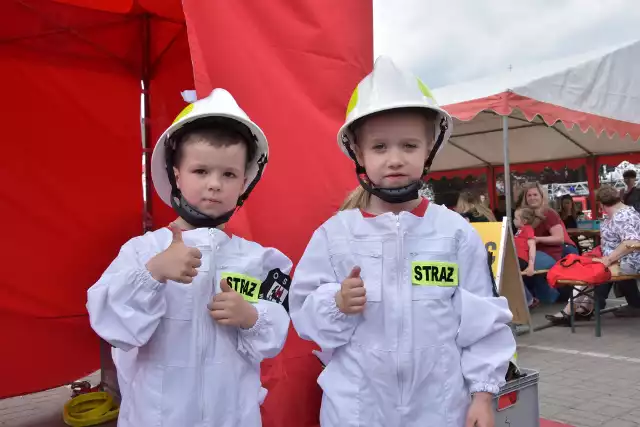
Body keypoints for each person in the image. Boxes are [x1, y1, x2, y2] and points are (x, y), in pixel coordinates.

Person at [289, 56, 515, 427]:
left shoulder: (455, 233)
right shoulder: (335, 235)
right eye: (379, 147)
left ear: (430, 149)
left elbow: (483, 322)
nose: (394, 159)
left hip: (440, 408)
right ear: (358, 153)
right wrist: (336, 303)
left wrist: (483, 396)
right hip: (356, 408)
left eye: (409, 145)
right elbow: (303, 317)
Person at [86, 89, 292, 427]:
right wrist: (152, 273)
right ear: (176, 174)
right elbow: (111, 324)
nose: (214, 185)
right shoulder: (143, 251)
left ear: (245, 182)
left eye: (228, 174)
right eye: (200, 171)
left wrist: (252, 317)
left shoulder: (262, 261)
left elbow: (273, 339)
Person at [546, 185, 640, 323]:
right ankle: (583, 308)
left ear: (600, 204)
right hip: (623, 259)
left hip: (627, 261)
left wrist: (608, 259)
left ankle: (571, 310)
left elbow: (631, 241)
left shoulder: (621, 216)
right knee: (589, 265)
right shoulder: (625, 213)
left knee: (588, 269)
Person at [514, 183, 577, 303]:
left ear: (542, 196)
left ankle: (531, 299)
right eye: (529, 195)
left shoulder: (549, 213)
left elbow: (559, 238)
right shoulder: (524, 214)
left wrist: (536, 239)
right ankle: (531, 298)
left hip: (549, 252)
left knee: (521, 265)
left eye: (535, 195)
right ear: (525, 198)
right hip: (533, 251)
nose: (532, 198)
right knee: (518, 264)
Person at [515, 208, 542, 309]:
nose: (513, 220)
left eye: (516, 218)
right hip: (516, 257)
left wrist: (531, 265)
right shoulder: (519, 231)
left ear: (524, 221)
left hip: (521, 258)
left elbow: (532, 246)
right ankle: (528, 299)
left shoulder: (527, 229)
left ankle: (529, 299)